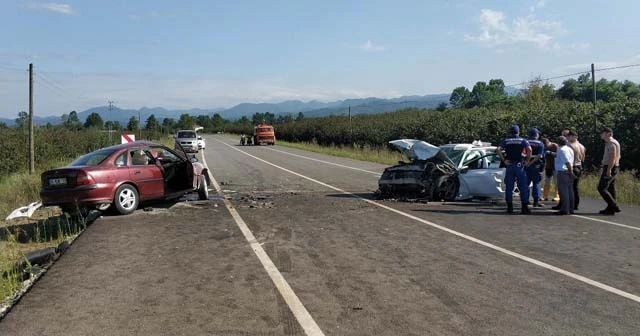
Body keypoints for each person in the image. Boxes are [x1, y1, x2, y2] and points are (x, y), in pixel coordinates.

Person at [497, 124, 532, 214]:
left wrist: (504, 160)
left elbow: (498, 149)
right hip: (519, 165)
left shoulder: (506, 140)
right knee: (523, 186)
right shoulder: (523, 140)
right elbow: (529, 149)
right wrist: (527, 160)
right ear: (518, 131)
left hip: (509, 165)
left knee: (509, 187)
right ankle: (524, 207)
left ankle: (510, 207)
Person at [598, 127, 621, 215]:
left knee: (601, 188)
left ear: (608, 133)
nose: (601, 135)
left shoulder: (611, 143)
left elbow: (613, 157)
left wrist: (609, 170)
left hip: (610, 167)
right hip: (612, 166)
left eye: (603, 133)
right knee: (611, 188)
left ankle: (614, 206)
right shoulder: (609, 143)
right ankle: (610, 209)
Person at [554, 136, 576, 215]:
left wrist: (571, 173)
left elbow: (567, 162)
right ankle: (571, 208)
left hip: (563, 171)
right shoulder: (570, 149)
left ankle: (565, 209)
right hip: (569, 170)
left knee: (564, 192)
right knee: (570, 191)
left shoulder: (561, 150)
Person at [525, 128, 545, 207]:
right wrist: (531, 162)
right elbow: (539, 155)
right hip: (536, 165)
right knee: (536, 183)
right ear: (536, 134)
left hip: (526, 165)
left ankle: (525, 200)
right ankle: (536, 201)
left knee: (526, 183)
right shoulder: (540, 143)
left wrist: (527, 162)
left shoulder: (525, 142)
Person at [568, 130, 586, 210]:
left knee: (568, 187)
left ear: (572, 136)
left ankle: (568, 204)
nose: (568, 138)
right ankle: (576, 204)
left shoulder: (569, 145)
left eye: (569, 136)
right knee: (575, 187)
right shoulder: (582, 146)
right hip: (579, 166)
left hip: (573, 166)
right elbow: (583, 158)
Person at [541, 137, 560, 202]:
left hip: (555, 166)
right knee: (547, 181)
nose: (545, 146)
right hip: (548, 166)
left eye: (546, 145)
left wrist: (551, 153)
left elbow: (559, 155)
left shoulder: (555, 145)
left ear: (548, 143)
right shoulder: (543, 147)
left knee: (556, 182)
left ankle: (556, 196)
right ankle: (545, 196)